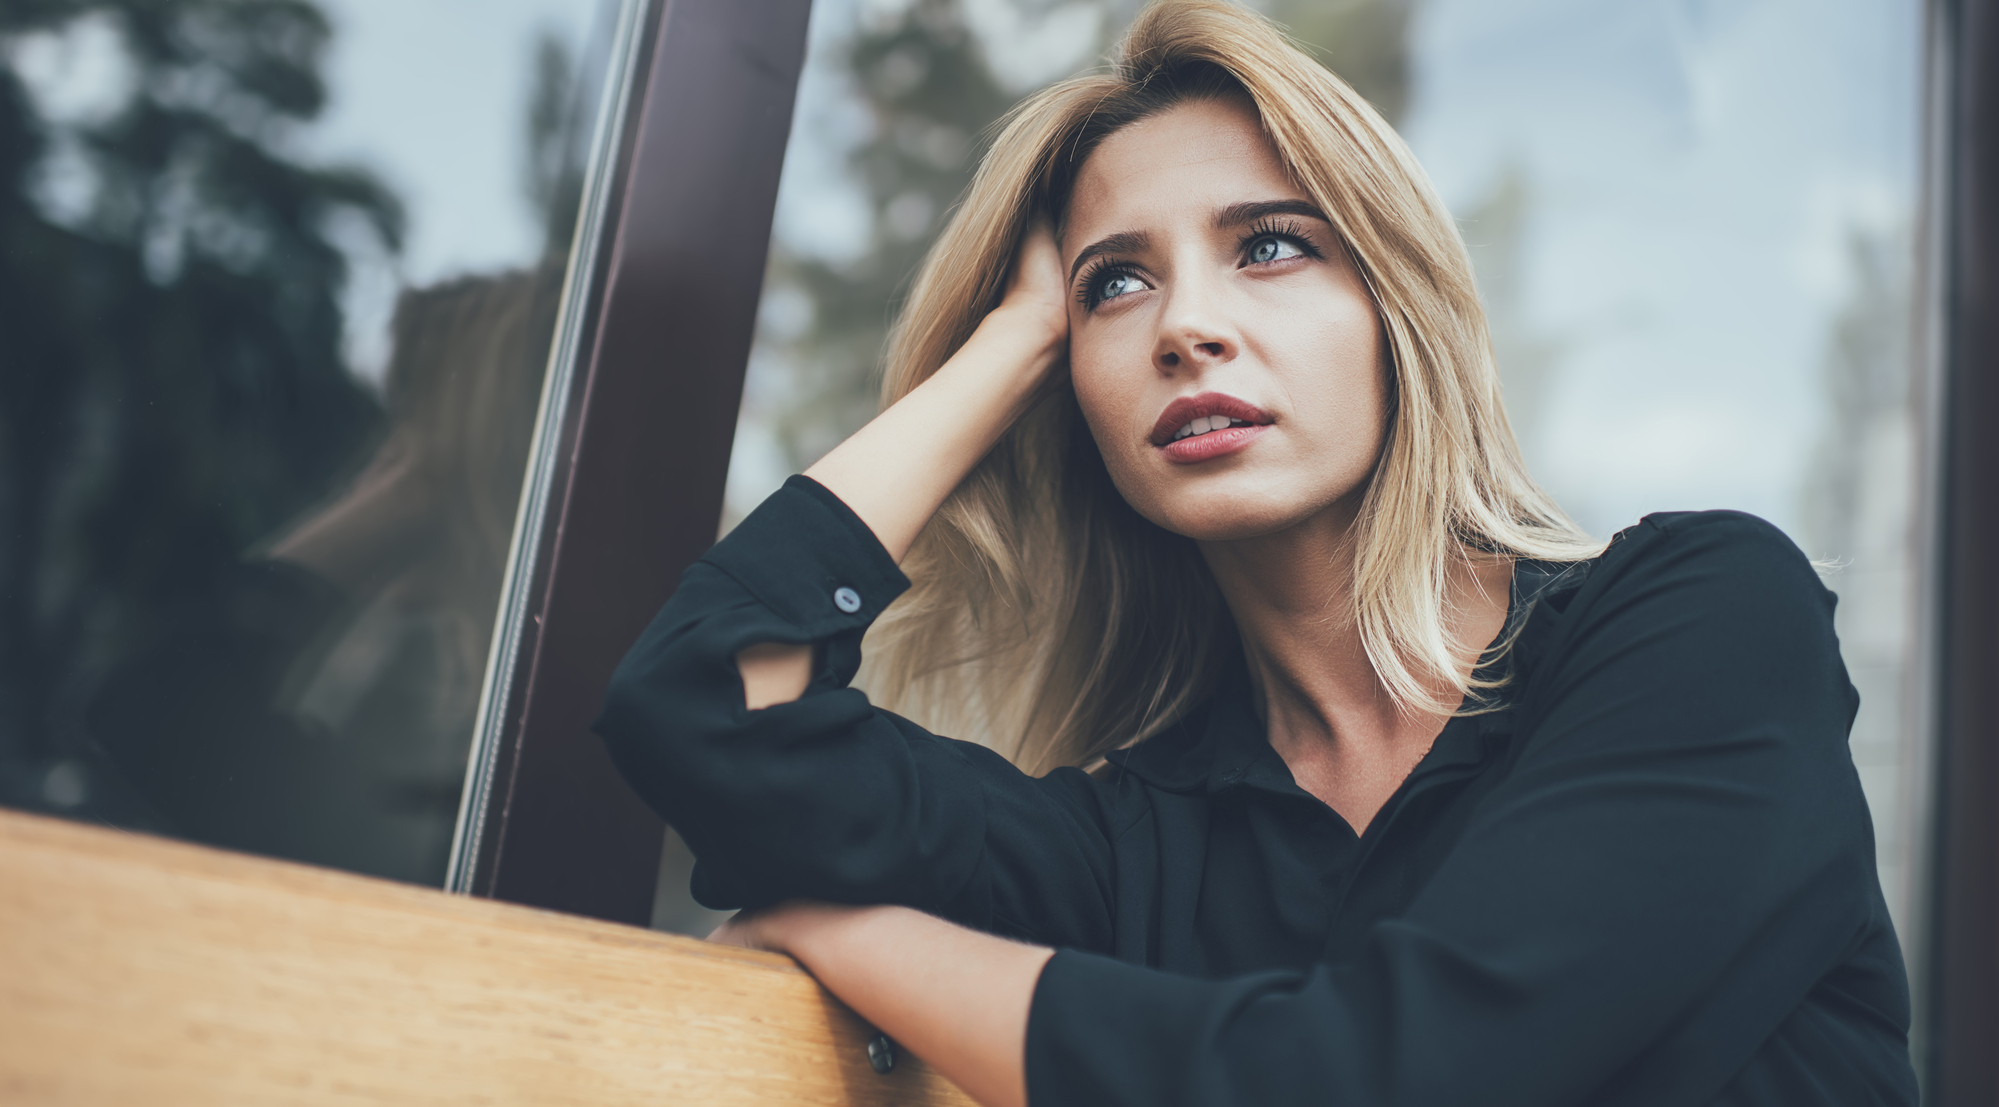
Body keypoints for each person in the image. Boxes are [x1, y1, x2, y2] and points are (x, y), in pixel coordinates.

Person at [594, 3, 1917, 1104]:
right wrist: (1005, 347)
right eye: (1117, 284)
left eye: (1271, 246)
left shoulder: (1700, 623)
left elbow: (1387, 1081)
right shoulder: (1132, 847)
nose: (1189, 328)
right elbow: (705, 709)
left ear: (1397, 310)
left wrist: (852, 936)